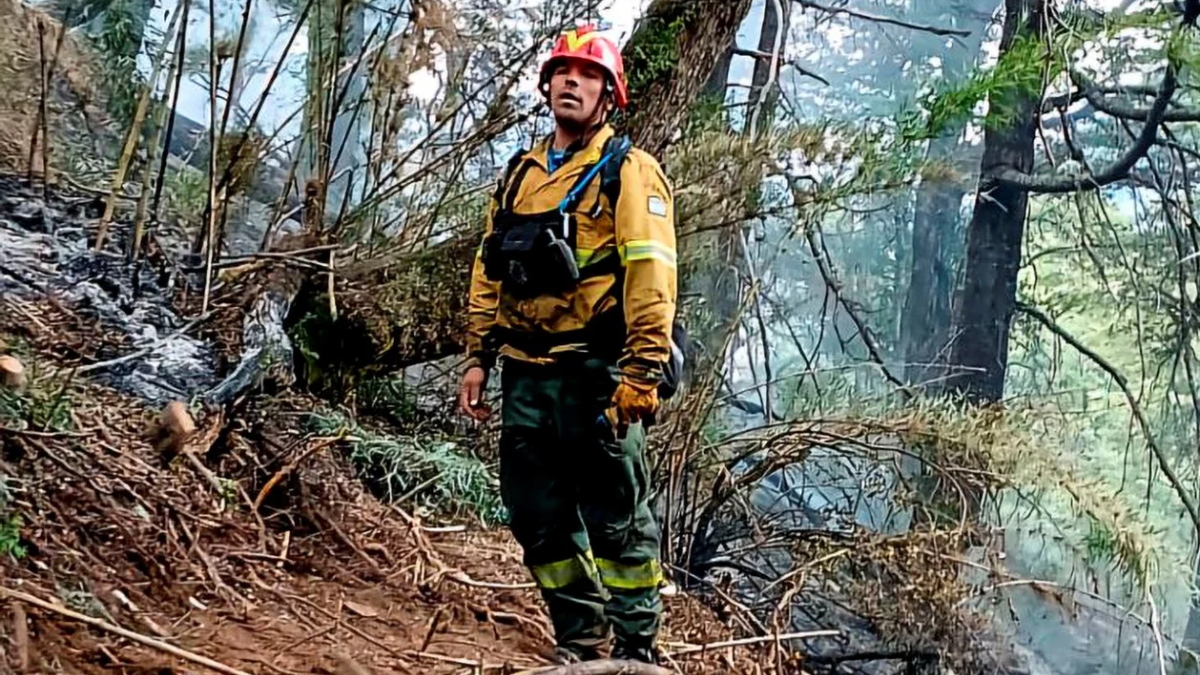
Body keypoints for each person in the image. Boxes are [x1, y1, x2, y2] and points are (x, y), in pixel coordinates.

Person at [457, 23, 678, 665]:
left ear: (609, 96)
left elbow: (652, 276)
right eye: (563, 72)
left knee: (617, 518)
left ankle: (637, 653)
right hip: (525, 375)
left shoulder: (630, 172)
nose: (571, 82)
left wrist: (642, 373)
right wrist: (478, 356)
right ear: (547, 85)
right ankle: (582, 642)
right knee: (535, 515)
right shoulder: (520, 175)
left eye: (588, 75)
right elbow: (488, 269)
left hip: (596, 376)